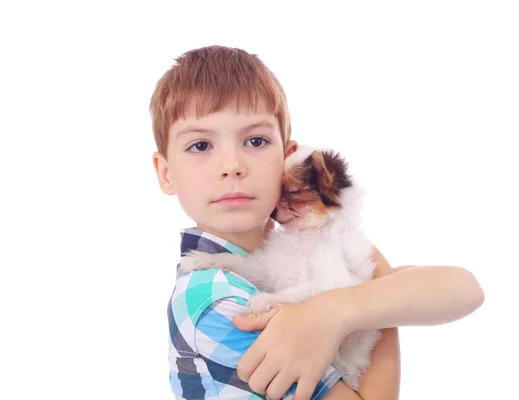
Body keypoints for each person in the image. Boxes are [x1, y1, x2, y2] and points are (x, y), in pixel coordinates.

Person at [151, 45, 485, 400]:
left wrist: (338, 309)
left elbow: (467, 290)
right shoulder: (215, 302)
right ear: (166, 173)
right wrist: (372, 299)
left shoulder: (297, 248)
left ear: (287, 155)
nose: (231, 164)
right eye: (201, 145)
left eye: (255, 140)